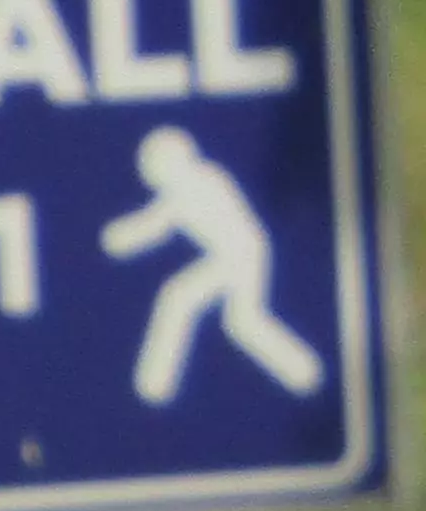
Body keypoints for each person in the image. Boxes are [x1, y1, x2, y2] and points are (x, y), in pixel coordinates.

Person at [102, 125, 324, 404]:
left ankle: (154, 387)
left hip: (240, 254)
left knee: (183, 298)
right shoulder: (193, 183)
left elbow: (154, 224)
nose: (151, 172)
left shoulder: (196, 183)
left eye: (155, 164)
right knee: (239, 320)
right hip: (238, 253)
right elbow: (154, 222)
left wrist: (118, 238)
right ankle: (305, 373)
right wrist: (121, 237)